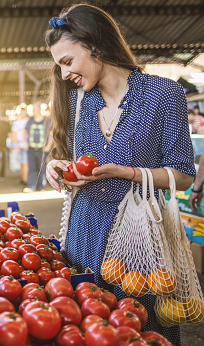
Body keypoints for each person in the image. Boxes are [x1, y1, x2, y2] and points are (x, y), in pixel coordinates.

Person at [44, 4, 194, 345]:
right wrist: (58, 168)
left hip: (140, 238)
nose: (65, 74)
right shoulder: (79, 101)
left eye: (67, 61)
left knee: (139, 326)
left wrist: (126, 172)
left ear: (94, 45)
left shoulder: (163, 94)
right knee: (89, 327)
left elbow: (183, 175)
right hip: (84, 233)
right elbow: (73, 159)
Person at [23, 101, 53, 192]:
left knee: (41, 167)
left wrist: (48, 146)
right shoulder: (30, 120)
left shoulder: (47, 120)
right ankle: (31, 185)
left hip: (42, 149)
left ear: (39, 110)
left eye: (34, 109)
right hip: (31, 148)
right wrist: (25, 143)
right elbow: (25, 132)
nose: (33, 111)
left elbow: (51, 134)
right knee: (31, 167)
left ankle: (40, 186)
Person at [11, 107, 29, 185]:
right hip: (19, 144)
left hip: (26, 144)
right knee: (22, 163)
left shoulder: (28, 121)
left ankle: (25, 180)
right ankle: (23, 178)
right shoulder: (16, 123)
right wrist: (16, 145)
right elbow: (13, 134)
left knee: (25, 162)